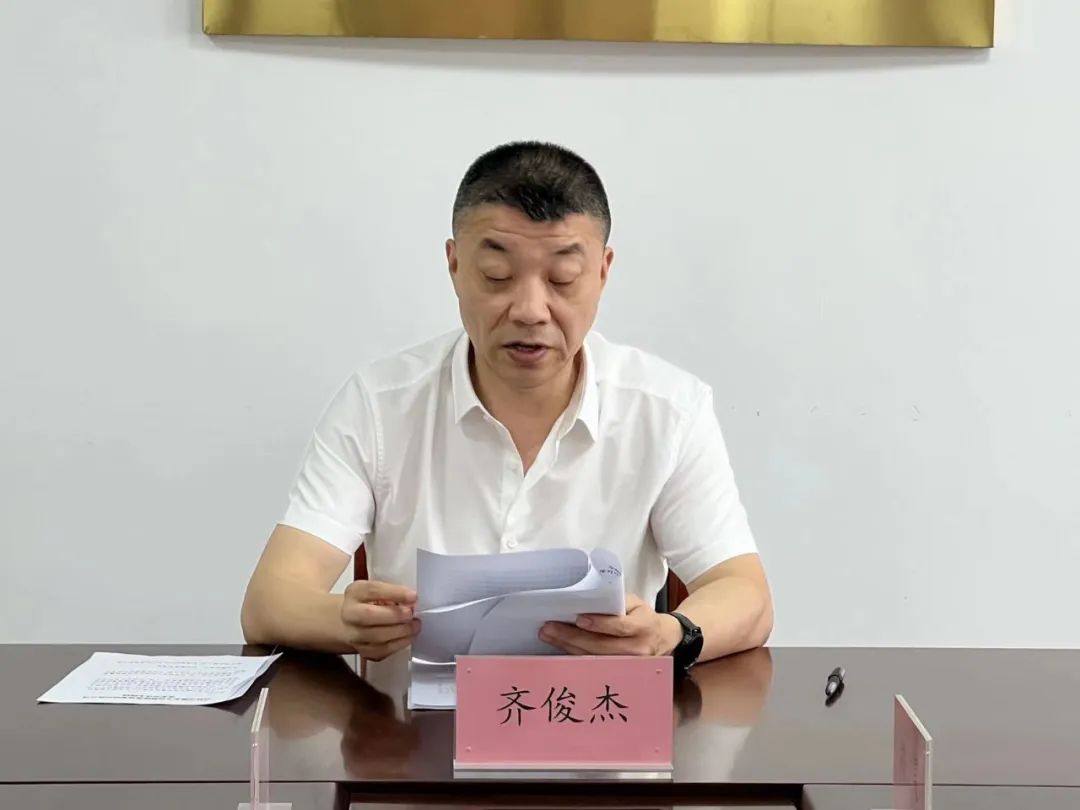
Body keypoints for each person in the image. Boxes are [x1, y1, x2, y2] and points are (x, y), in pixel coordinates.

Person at [241, 142, 773, 671]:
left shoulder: (669, 410)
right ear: (454, 264)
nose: (530, 310)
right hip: (409, 722)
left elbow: (746, 594)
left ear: (603, 271)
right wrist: (343, 622)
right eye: (497, 275)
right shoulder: (379, 406)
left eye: (562, 280)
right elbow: (269, 602)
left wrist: (671, 634)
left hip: (597, 720)